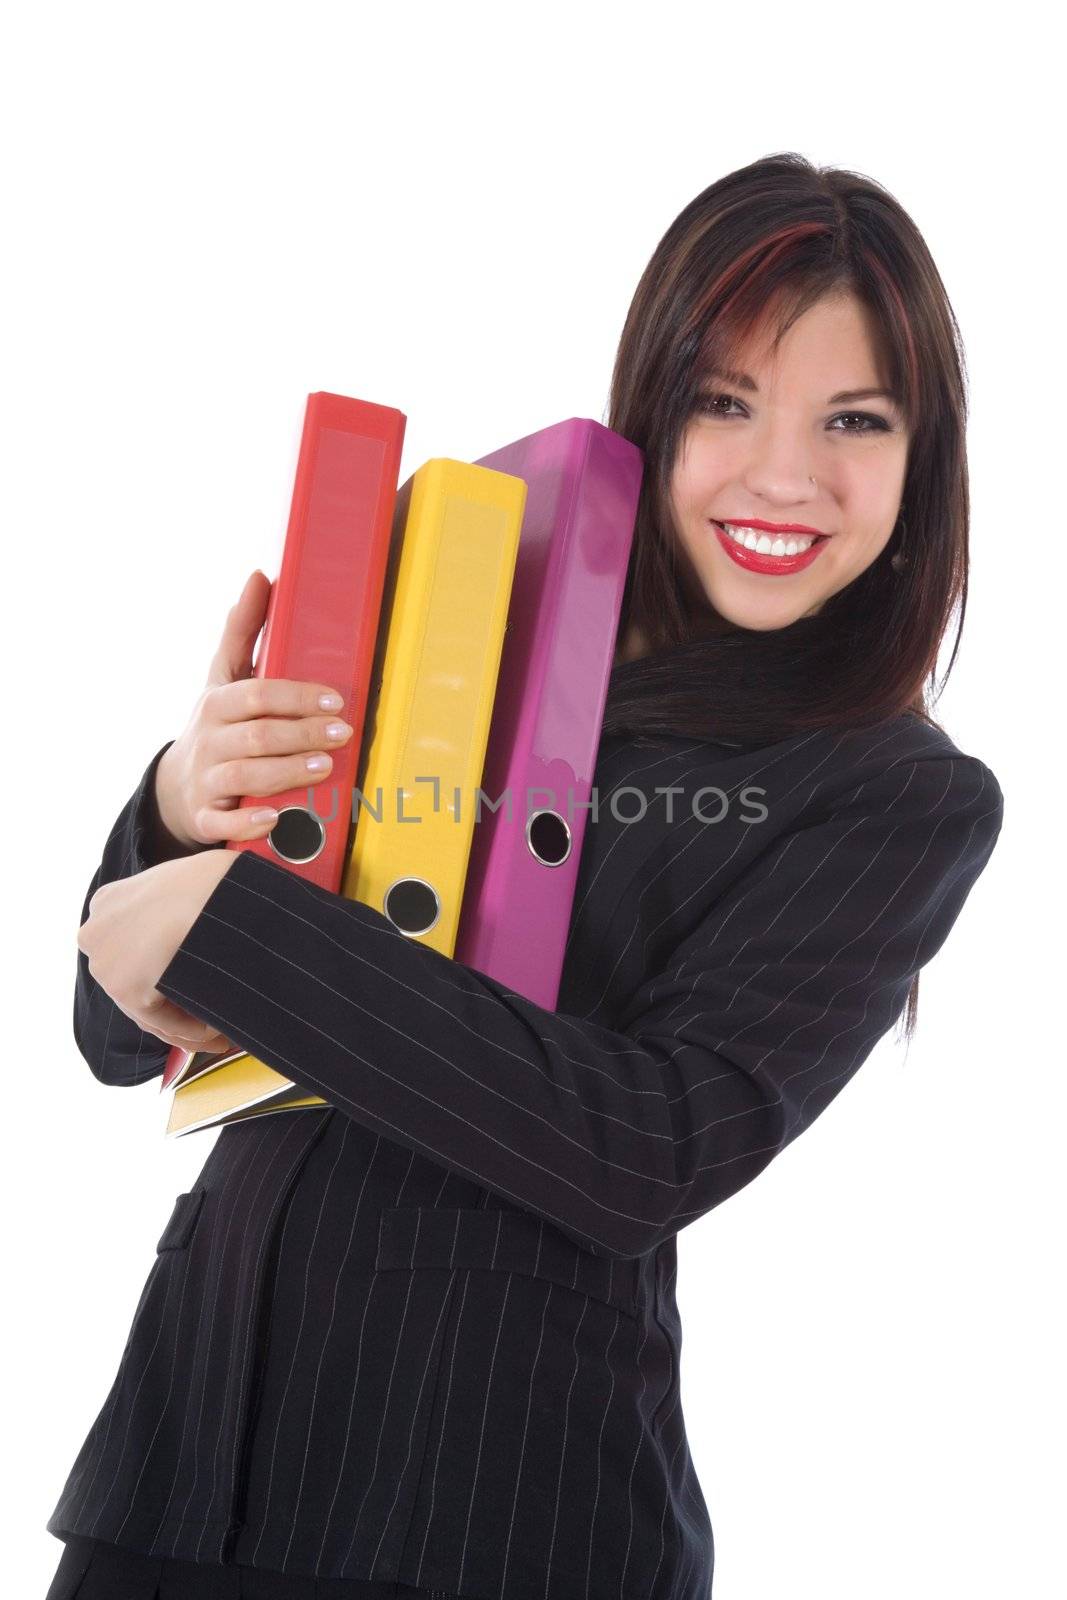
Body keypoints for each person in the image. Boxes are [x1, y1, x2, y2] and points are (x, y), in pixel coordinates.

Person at [44, 151, 1004, 1600]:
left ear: (923, 461)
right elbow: (118, 1036)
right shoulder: (473, 637)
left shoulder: (892, 794)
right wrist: (190, 802)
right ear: (650, 412)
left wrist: (234, 929)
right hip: (183, 1473)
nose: (784, 475)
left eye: (854, 421)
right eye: (722, 403)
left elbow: (651, 1146)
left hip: (489, 1516)